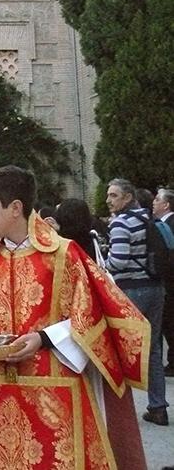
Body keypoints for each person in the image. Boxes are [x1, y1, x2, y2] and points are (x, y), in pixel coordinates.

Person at [0, 165, 150, 469]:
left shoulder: (63, 255)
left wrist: (42, 338)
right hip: (4, 390)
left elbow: (94, 320)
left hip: (55, 388)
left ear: (15, 208)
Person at [105, 178, 169, 426]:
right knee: (152, 349)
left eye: (114, 195)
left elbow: (118, 261)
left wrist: (104, 264)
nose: (109, 200)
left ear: (128, 197)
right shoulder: (147, 218)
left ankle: (119, 411)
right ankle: (158, 406)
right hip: (155, 288)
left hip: (131, 291)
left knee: (120, 348)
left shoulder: (121, 222)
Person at [153, 188, 174, 377]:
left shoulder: (168, 224)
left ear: (166, 205)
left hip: (168, 282)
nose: (154, 203)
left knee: (168, 322)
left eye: (157, 200)